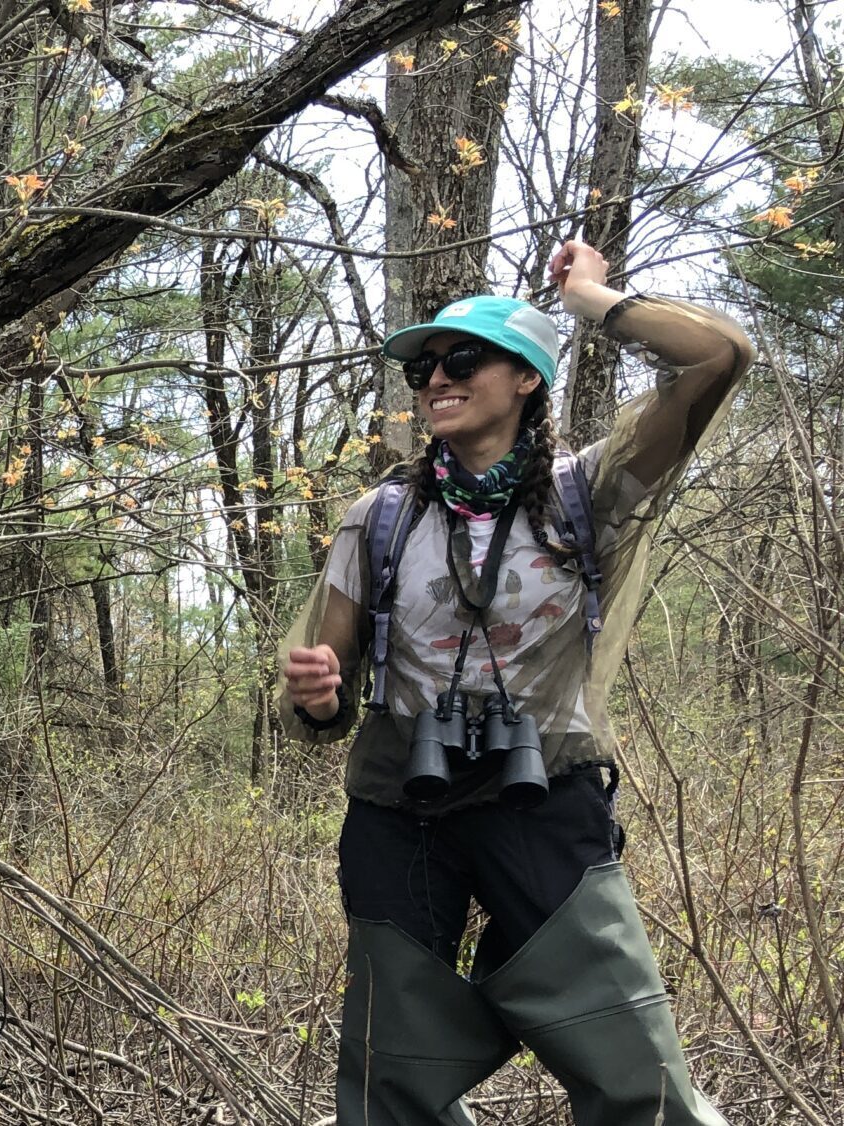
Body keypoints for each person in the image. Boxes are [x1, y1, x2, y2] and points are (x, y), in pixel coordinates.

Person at [281, 240, 750, 1126]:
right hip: (401, 804)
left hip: (545, 798)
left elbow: (718, 358)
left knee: (634, 1068)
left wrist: (589, 298)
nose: (435, 380)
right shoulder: (377, 517)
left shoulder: (592, 492)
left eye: (463, 359)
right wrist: (319, 698)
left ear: (528, 377)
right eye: (424, 367)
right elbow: (323, 697)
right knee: (392, 1082)